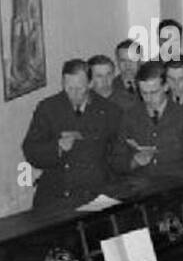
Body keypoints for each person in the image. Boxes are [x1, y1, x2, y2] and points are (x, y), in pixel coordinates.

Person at [22, 59, 122, 209]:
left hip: (95, 194)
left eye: (79, 88)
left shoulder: (109, 111)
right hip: (58, 194)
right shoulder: (48, 109)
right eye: (69, 88)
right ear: (63, 83)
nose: (74, 94)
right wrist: (57, 147)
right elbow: (31, 151)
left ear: (90, 84)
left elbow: (118, 154)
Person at [109, 60, 183, 180]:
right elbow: (116, 160)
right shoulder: (130, 116)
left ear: (166, 87)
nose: (149, 98)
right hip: (140, 188)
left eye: (154, 92)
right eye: (144, 93)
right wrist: (134, 161)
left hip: (175, 186)